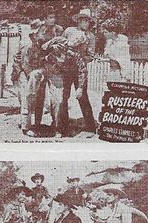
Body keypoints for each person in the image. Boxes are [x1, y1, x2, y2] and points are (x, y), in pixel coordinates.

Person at [42, 37, 89, 137]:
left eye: (78, 41)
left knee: (63, 100)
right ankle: (56, 126)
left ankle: (62, 127)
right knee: (55, 100)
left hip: (68, 75)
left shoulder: (75, 54)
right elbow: (43, 48)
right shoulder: (55, 47)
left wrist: (80, 87)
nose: (75, 41)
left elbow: (82, 70)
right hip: (54, 73)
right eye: (75, 38)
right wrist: (51, 45)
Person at [60, 8, 96, 137]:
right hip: (65, 68)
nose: (86, 23)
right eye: (83, 20)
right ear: (79, 21)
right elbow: (60, 43)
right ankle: (62, 127)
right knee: (63, 97)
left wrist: (79, 58)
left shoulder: (90, 37)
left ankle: (90, 127)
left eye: (88, 21)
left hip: (79, 70)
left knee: (82, 96)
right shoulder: (69, 31)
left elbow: (90, 55)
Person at [11, 19, 47, 137]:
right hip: (23, 73)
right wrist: (33, 77)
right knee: (28, 98)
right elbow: (24, 64)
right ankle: (26, 128)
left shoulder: (38, 43)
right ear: (35, 33)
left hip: (33, 72)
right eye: (42, 31)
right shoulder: (28, 45)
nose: (44, 33)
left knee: (38, 97)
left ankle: (36, 124)